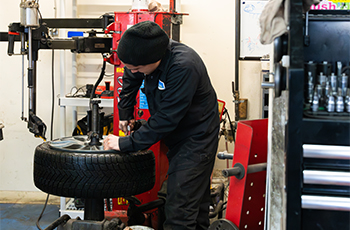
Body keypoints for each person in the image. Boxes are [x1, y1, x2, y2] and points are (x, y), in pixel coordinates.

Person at [103, 21, 220, 230]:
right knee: (197, 203)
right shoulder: (142, 56)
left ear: (154, 59)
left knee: (179, 210)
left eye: (137, 68)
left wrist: (125, 143)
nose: (133, 71)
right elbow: (131, 76)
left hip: (197, 138)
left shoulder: (183, 66)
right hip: (176, 134)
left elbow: (166, 119)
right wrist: (126, 112)